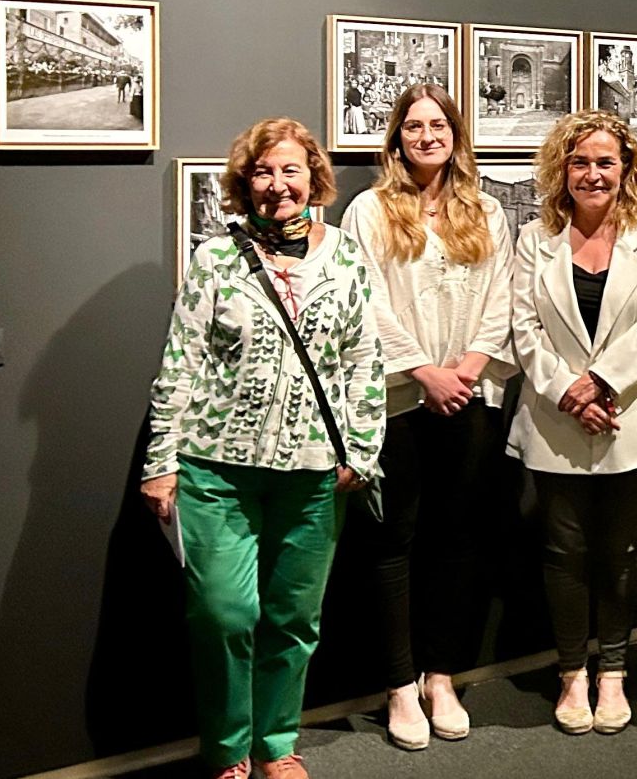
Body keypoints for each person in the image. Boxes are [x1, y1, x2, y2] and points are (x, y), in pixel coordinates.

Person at [138, 118, 386, 779]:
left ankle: (277, 743)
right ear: (245, 183)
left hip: (313, 474)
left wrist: (363, 448)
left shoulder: (347, 258)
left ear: (315, 178)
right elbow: (181, 361)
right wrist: (160, 461)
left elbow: (365, 357)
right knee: (224, 612)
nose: (278, 185)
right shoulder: (215, 260)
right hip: (217, 470)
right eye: (263, 172)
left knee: (294, 617)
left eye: (291, 170)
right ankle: (227, 748)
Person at [339, 84, 515, 749]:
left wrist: (468, 365)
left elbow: (502, 294)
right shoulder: (369, 210)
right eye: (413, 125)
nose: (426, 134)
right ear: (396, 138)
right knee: (392, 542)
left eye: (437, 123)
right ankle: (399, 685)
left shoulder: (488, 210)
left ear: (455, 133)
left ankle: (441, 673)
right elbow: (366, 299)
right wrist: (424, 370)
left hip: (469, 395)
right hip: (398, 400)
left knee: (458, 537)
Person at [507, 110, 637, 735]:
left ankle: (614, 670)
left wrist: (602, 384)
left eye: (605, 162)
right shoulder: (534, 239)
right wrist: (569, 391)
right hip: (557, 420)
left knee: (620, 549)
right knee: (563, 551)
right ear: (562, 169)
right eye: (580, 162)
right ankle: (571, 673)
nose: (592, 173)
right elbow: (522, 327)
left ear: (626, 168)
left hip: (626, 415)